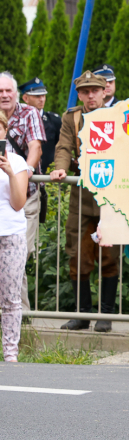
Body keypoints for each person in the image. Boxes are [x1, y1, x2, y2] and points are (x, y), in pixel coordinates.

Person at [49, 70, 120, 332]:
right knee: (78, 253)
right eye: (85, 91)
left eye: (95, 91)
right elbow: (64, 146)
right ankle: (81, 314)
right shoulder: (72, 117)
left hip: (112, 193)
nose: (90, 95)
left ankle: (107, 314)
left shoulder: (120, 115)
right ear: (79, 93)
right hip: (83, 192)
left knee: (109, 254)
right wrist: (60, 168)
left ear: (105, 92)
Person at [2, 73, 45, 315]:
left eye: (8, 91)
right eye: (0, 92)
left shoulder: (29, 113)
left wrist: (24, 171)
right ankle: (17, 316)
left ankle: (20, 316)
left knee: (18, 256)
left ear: (17, 93)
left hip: (24, 198)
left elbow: (35, 147)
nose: (5, 95)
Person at [0, 113, 31, 361]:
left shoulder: (18, 161)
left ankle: (10, 353)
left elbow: (19, 203)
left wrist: (10, 172)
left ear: (5, 130)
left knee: (11, 298)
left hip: (11, 235)